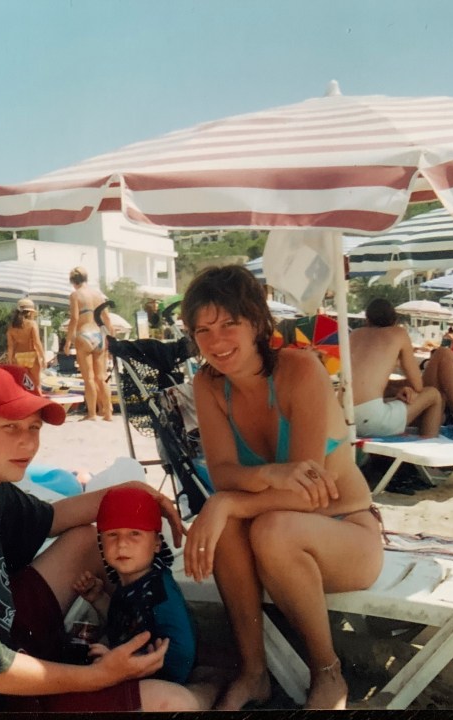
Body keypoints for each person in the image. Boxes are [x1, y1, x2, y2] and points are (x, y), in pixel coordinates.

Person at [0, 365, 209, 713]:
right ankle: (207, 688)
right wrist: (100, 676)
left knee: (84, 541)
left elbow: (56, 518)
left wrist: (131, 492)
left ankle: (124, 632)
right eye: (10, 428)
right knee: (175, 703)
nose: (28, 442)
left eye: (34, 428)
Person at [180, 265, 384, 710]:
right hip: (273, 531)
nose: (216, 341)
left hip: (345, 528)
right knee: (237, 524)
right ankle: (254, 673)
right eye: (203, 330)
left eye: (229, 323)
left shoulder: (301, 370)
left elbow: (311, 492)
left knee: (267, 525)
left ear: (255, 322)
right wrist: (261, 478)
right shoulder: (209, 384)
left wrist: (227, 500)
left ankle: (328, 672)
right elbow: (223, 471)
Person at [72, 486, 201, 690]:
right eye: (112, 535)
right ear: (101, 543)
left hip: (162, 684)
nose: (122, 544)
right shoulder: (132, 582)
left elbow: (182, 652)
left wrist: (126, 664)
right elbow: (125, 622)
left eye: (135, 533)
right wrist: (98, 599)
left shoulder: (159, 593)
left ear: (157, 543)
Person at [348, 298, 443, 437]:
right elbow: (418, 386)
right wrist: (405, 388)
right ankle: (429, 444)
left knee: (392, 401)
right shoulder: (398, 333)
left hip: (344, 417)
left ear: (367, 319)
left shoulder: (354, 335)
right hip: (372, 419)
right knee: (433, 394)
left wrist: (398, 389)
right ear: (395, 319)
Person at [64, 266, 114, 421]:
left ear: (73, 281)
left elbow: (74, 319)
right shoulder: (98, 295)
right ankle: (108, 413)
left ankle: (92, 413)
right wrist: (111, 337)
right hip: (99, 335)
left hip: (84, 334)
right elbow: (106, 318)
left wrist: (67, 342)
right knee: (101, 376)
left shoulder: (75, 295)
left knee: (89, 378)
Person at [6, 298, 46, 394]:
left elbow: (10, 346)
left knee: (20, 386)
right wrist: (43, 357)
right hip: (32, 354)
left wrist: (10, 359)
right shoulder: (32, 324)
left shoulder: (11, 327)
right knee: (36, 385)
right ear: (29, 313)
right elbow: (37, 342)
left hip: (18, 356)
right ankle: (39, 406)